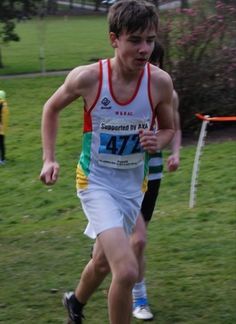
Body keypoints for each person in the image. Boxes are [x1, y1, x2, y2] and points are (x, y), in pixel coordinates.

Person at [39, 1, 175, 323]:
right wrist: (49, 158)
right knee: (126, 270)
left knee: (102, 262)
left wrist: (160, 140)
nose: (145, 49)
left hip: (133, 187)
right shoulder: (88, 79)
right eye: (135, 40)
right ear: (114, 39)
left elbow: (169, 128)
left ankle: (75, 302)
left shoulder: (159, 83)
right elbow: (51, 108)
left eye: (150, 40)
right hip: (95, 182)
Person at [131, 41, 182, 321]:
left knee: (138, 241)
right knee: (131, 241)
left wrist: (174, 153)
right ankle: (133, 292)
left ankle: (137, 296)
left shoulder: (167, 92)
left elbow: (173, 126)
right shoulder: (124, 88)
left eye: (155, 60)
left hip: (151, 172)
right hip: (117, 173)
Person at [0, 90, 9, 165]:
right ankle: (2, 159)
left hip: (1, 128)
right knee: (1, 144)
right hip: (2, 128)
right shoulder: (3, 104)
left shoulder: (1, 104)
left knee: (1, 144)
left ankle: (2, 159)